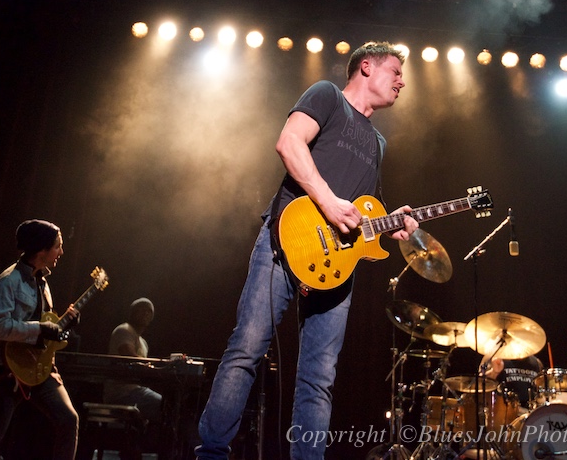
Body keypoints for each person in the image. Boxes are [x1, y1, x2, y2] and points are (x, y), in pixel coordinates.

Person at [195, 41, 419, 460]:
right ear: (366, 67)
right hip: (287, 238)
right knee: (248, 347)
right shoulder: (327, 95)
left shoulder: (379, 143)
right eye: (396, 72)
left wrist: (392, 223)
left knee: (319, 375)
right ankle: (211, 453)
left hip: (337, 265)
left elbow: (364, 209)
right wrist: (330, 202)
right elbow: (289, 143)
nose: (402, 81)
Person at [0, 219, 80, 460]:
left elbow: (43, 332)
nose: (61, 252)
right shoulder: (7, 282)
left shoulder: (43, 283)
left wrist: (63, 326)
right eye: (58, 246)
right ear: (42, 249)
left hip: (39, 369)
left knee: (69, 419)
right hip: (8, 371)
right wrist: (41, 328)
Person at [103, 297, 163, 423]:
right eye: (142, 310)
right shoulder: (124, 330)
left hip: (135, 390)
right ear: (133, 313)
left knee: (167, 405)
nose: (146, 314)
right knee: (160, 404)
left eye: (149, 311)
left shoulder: (143, 342)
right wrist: (159, 365)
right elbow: (129, 357)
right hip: (121, 392)